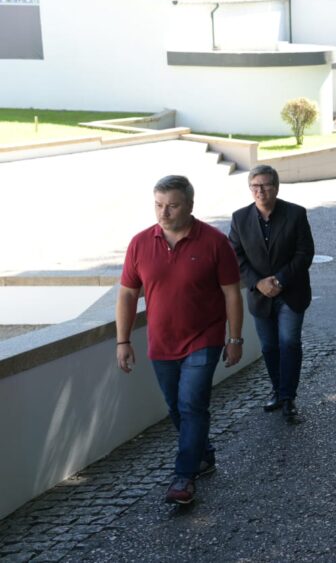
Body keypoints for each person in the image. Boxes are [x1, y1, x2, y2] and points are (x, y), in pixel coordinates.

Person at [115, 175, 243, 505]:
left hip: (205, 338)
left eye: (172, 205)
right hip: (161, 342)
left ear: (189, 204)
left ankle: (184, 477)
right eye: (158, 205)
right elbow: (128, 295)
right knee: (175, 406)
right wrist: (122, 341)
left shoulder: (214, 242)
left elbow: (232, 294)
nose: (164, 212)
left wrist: (235, 338)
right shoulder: (140, 243)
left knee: (191, 403)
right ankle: (204, 453)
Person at [229, 165, 314, 423]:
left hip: (291, 291)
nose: (260, 190)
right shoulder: (239, 218)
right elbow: (236, 255)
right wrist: (258, 282)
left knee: (289, 343)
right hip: (259, 295)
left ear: (276, 187)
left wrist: (279, 279)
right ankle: (277, 390)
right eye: (255, 186)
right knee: (269, 347)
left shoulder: (296, 214)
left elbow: (305, 253)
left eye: (265, 185)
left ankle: (288, 398)